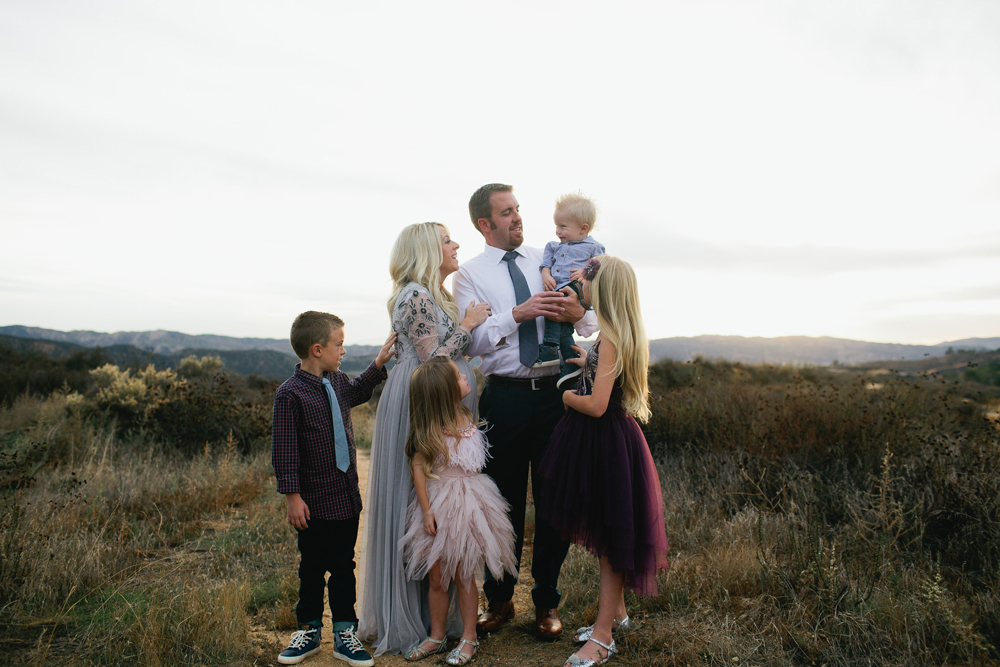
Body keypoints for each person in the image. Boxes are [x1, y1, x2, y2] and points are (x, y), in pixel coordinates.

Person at [453, 183, 596, 640]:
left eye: (517, 209)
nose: (517, 217)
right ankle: (499, 599)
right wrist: (517, 313)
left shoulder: (549, 257)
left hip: (557, 394)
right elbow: (470, 342)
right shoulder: (469, 275)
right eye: (506, 212)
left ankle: (547, 602)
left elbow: (590, 320)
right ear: (485, 224)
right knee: (503, 501)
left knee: (556, 500)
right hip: (506, 397)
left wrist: (576, 314)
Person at [358, 222, 491, 655]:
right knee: (417, 496)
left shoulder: (433, 294)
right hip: (420, 403)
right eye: (447, 240)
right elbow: (432, 359)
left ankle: (444, 619)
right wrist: (467, 325)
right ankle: (415, 618)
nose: (456, 245)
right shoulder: (415, 294)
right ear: (426, 251)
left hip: (442, 403)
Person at [536, 256, 670, 667]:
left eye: (586, 281)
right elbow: (607, 375)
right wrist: (587, 362)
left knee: (612, 541)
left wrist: (566, 396)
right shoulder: (617, 334)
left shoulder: (610, 338)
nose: (581, 286)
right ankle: (618, 614)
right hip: (608, 439)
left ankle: (603, 635)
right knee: (608, 531)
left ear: (604, 289)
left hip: (604, 440)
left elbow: (596, 405)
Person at [271, 310, 396, 666]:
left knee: (343, 566)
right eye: (339, 345)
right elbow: (285, 450)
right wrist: (293, 497)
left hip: (345, 498)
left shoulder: (338, 381)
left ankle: (344, 633)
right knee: (311, 568)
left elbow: (357, 392)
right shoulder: (290, 394)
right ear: (317, 349)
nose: (343, 351)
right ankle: (308, 630)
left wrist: (378, 362)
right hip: (311, 502)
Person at [398, 357, 518, 665]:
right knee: (437, 578)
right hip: (440, 506)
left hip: (471, 505)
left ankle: (468, 636)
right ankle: (437, 636)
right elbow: (418, 469)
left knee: (465, 575)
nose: (466, 379)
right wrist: (426, 511)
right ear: (446, 391)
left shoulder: (466, 414)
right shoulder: (430, 429)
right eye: (459, 377)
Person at [538, 192, 606, 388]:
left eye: (563, 227)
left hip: (576, 288)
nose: (558, 232)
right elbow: (545, 264)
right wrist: (546, 275)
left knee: (551, 306)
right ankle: (570, 358)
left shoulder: (594, 247)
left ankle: (550, 348)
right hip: (558, 287)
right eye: (556, 226)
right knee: (562, 323)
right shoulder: (554, 247)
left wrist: (585, 273)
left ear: (583, 228)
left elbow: (600, 268)